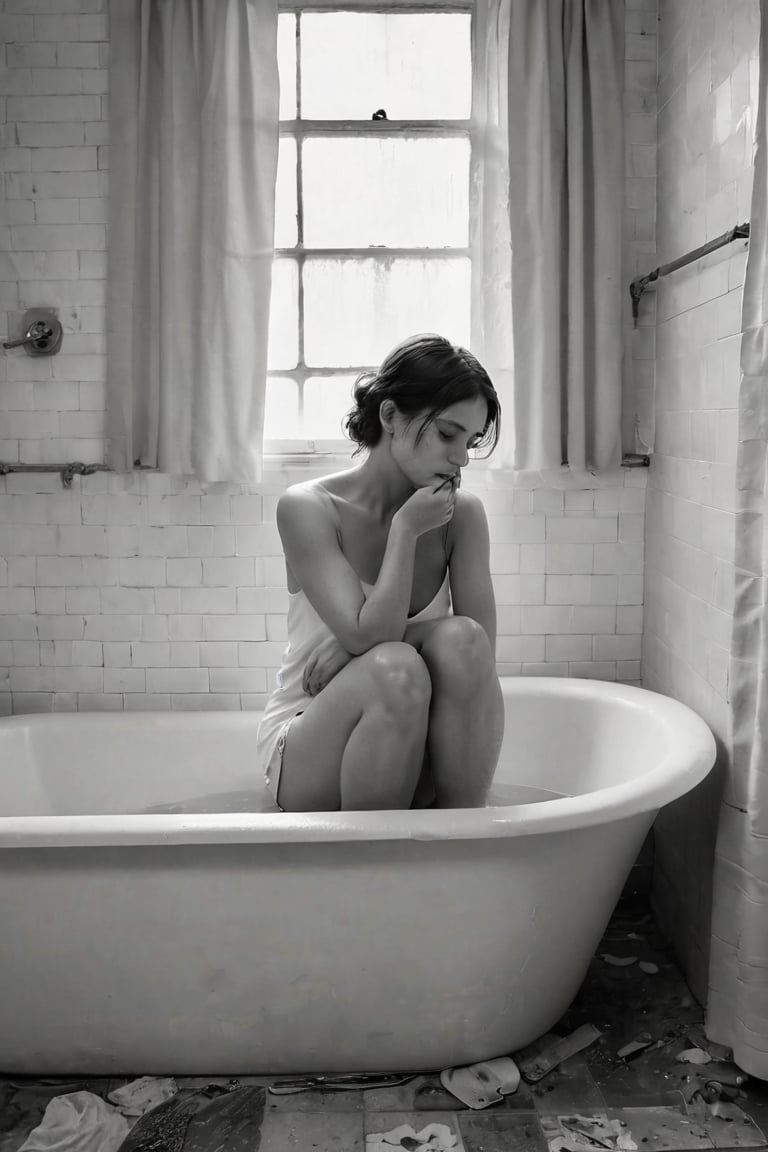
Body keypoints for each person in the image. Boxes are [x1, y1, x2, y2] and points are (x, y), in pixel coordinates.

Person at [256, 333, 505, 812]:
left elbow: (478, 662)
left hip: (418, 745)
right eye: (447, 434)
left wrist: (372, 645)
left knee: (463, 642)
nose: (462, 458)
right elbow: (369, 635)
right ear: (390, 416)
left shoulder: (463, 517)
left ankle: (466, 849)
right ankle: (373, 877)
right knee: (393, 669)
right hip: (312, 740)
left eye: (471, 442)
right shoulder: (309, 508)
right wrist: (406, 530)